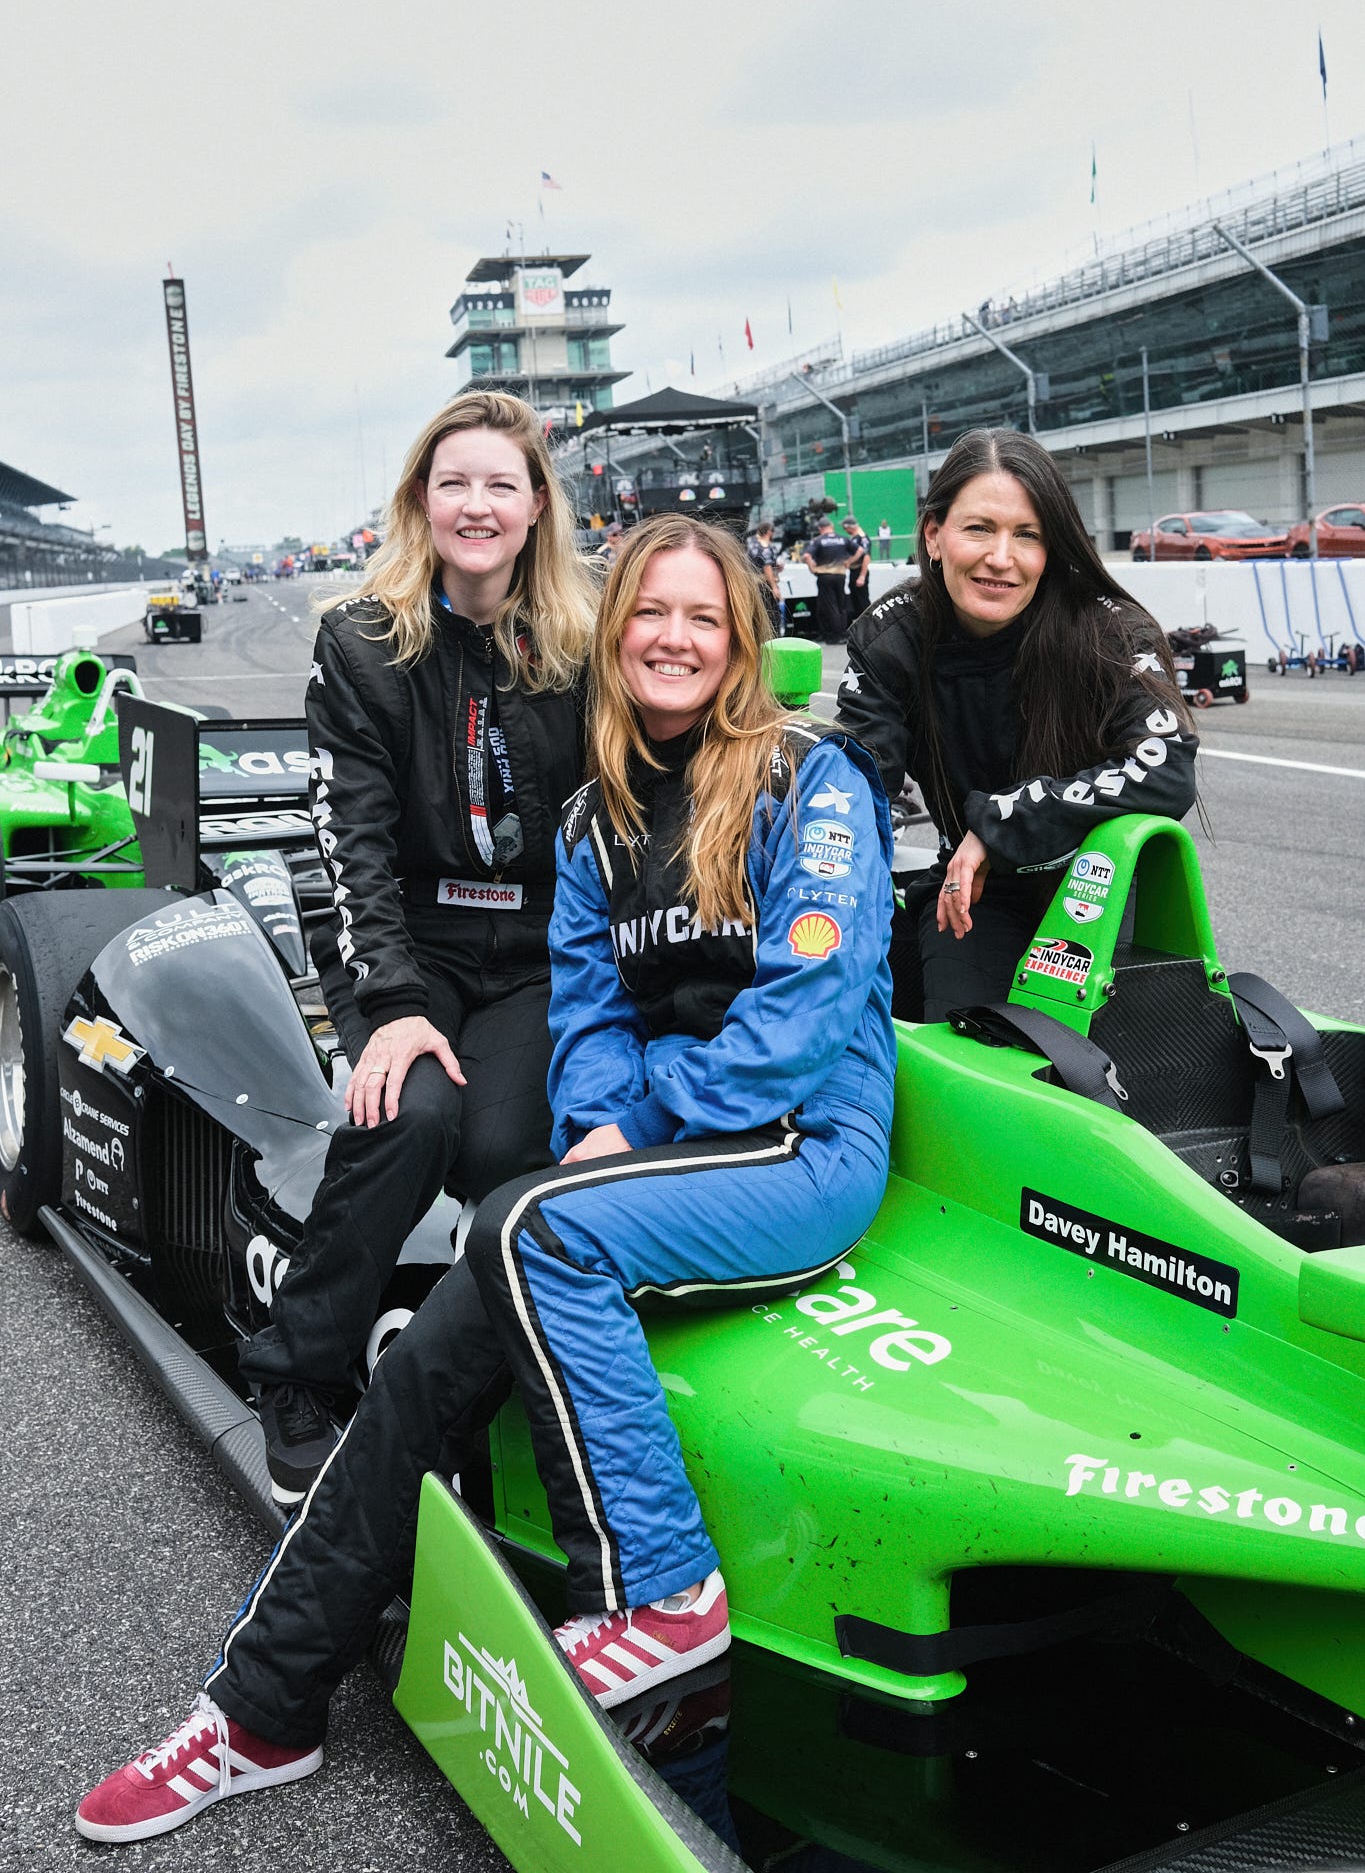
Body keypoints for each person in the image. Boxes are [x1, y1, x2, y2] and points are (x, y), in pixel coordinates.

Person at [76, 516, 898, 1846]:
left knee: (528, 1231)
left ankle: (656, 1602)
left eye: (704, 617)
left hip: (798, 1144)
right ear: (614, 636)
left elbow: (802, 1021)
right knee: (442, 1342)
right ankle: (261, 1705)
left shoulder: (812, 780)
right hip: (663, 1161)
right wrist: (612, 1125)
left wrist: (647, 1128)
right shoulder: (594, 819)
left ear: (741, 640)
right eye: (650, 615)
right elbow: (586, 1029)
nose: (674, 638)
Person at [241, 389, 597, 1505]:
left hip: (536, 951)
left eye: (502, 483)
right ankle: (292, 1369)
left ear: (537, 506)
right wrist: (392, 1004)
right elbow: (349, 842)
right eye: (456, 483)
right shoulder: (359, 641)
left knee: (506, 1155)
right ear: (420, 500)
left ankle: (484, 1379)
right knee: (414, 1110)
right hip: (405, 939)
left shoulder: (582, 643)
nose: (477, 504)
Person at [836, 428, 1197, 1021]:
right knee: (950, 1039)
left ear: (1051, 549)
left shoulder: (1109, 630)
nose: (1001, 558)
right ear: (933, 534)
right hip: (971, 896)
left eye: (1027, 535)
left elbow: (1168, 772)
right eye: (979, 528)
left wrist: (1002, 822)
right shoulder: (890, 636)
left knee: (1077, 1064)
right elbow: (856, 787)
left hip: (1091, 894)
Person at [802, 508, 854, 643]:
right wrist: (849, 562)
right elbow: (860, 551)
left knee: (830, 607)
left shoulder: (819, 540)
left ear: (820, 528)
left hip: (825, 577)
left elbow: (806, 555)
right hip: (840, 576)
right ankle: (843, 634)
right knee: (841, 605)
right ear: (831, 526)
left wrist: (812, 568)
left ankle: (834, 636)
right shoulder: (843, 539)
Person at [745, 515, 782, 627]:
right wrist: (774, 587)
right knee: (772, 614)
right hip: (765, 584)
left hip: (753, 583)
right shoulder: (764, 546)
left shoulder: (751, 542)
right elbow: (767, 567)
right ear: (769, 532)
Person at [843, 514, 871, 623]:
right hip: (853, 571)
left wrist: (862, 576)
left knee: (862, 601)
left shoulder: (862, 538)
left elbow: (866, 557)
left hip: (859, 571)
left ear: (850, 526)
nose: (845, 530)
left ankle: (869, 624)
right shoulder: (854, 538)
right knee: (855, 601)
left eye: (845, 528)